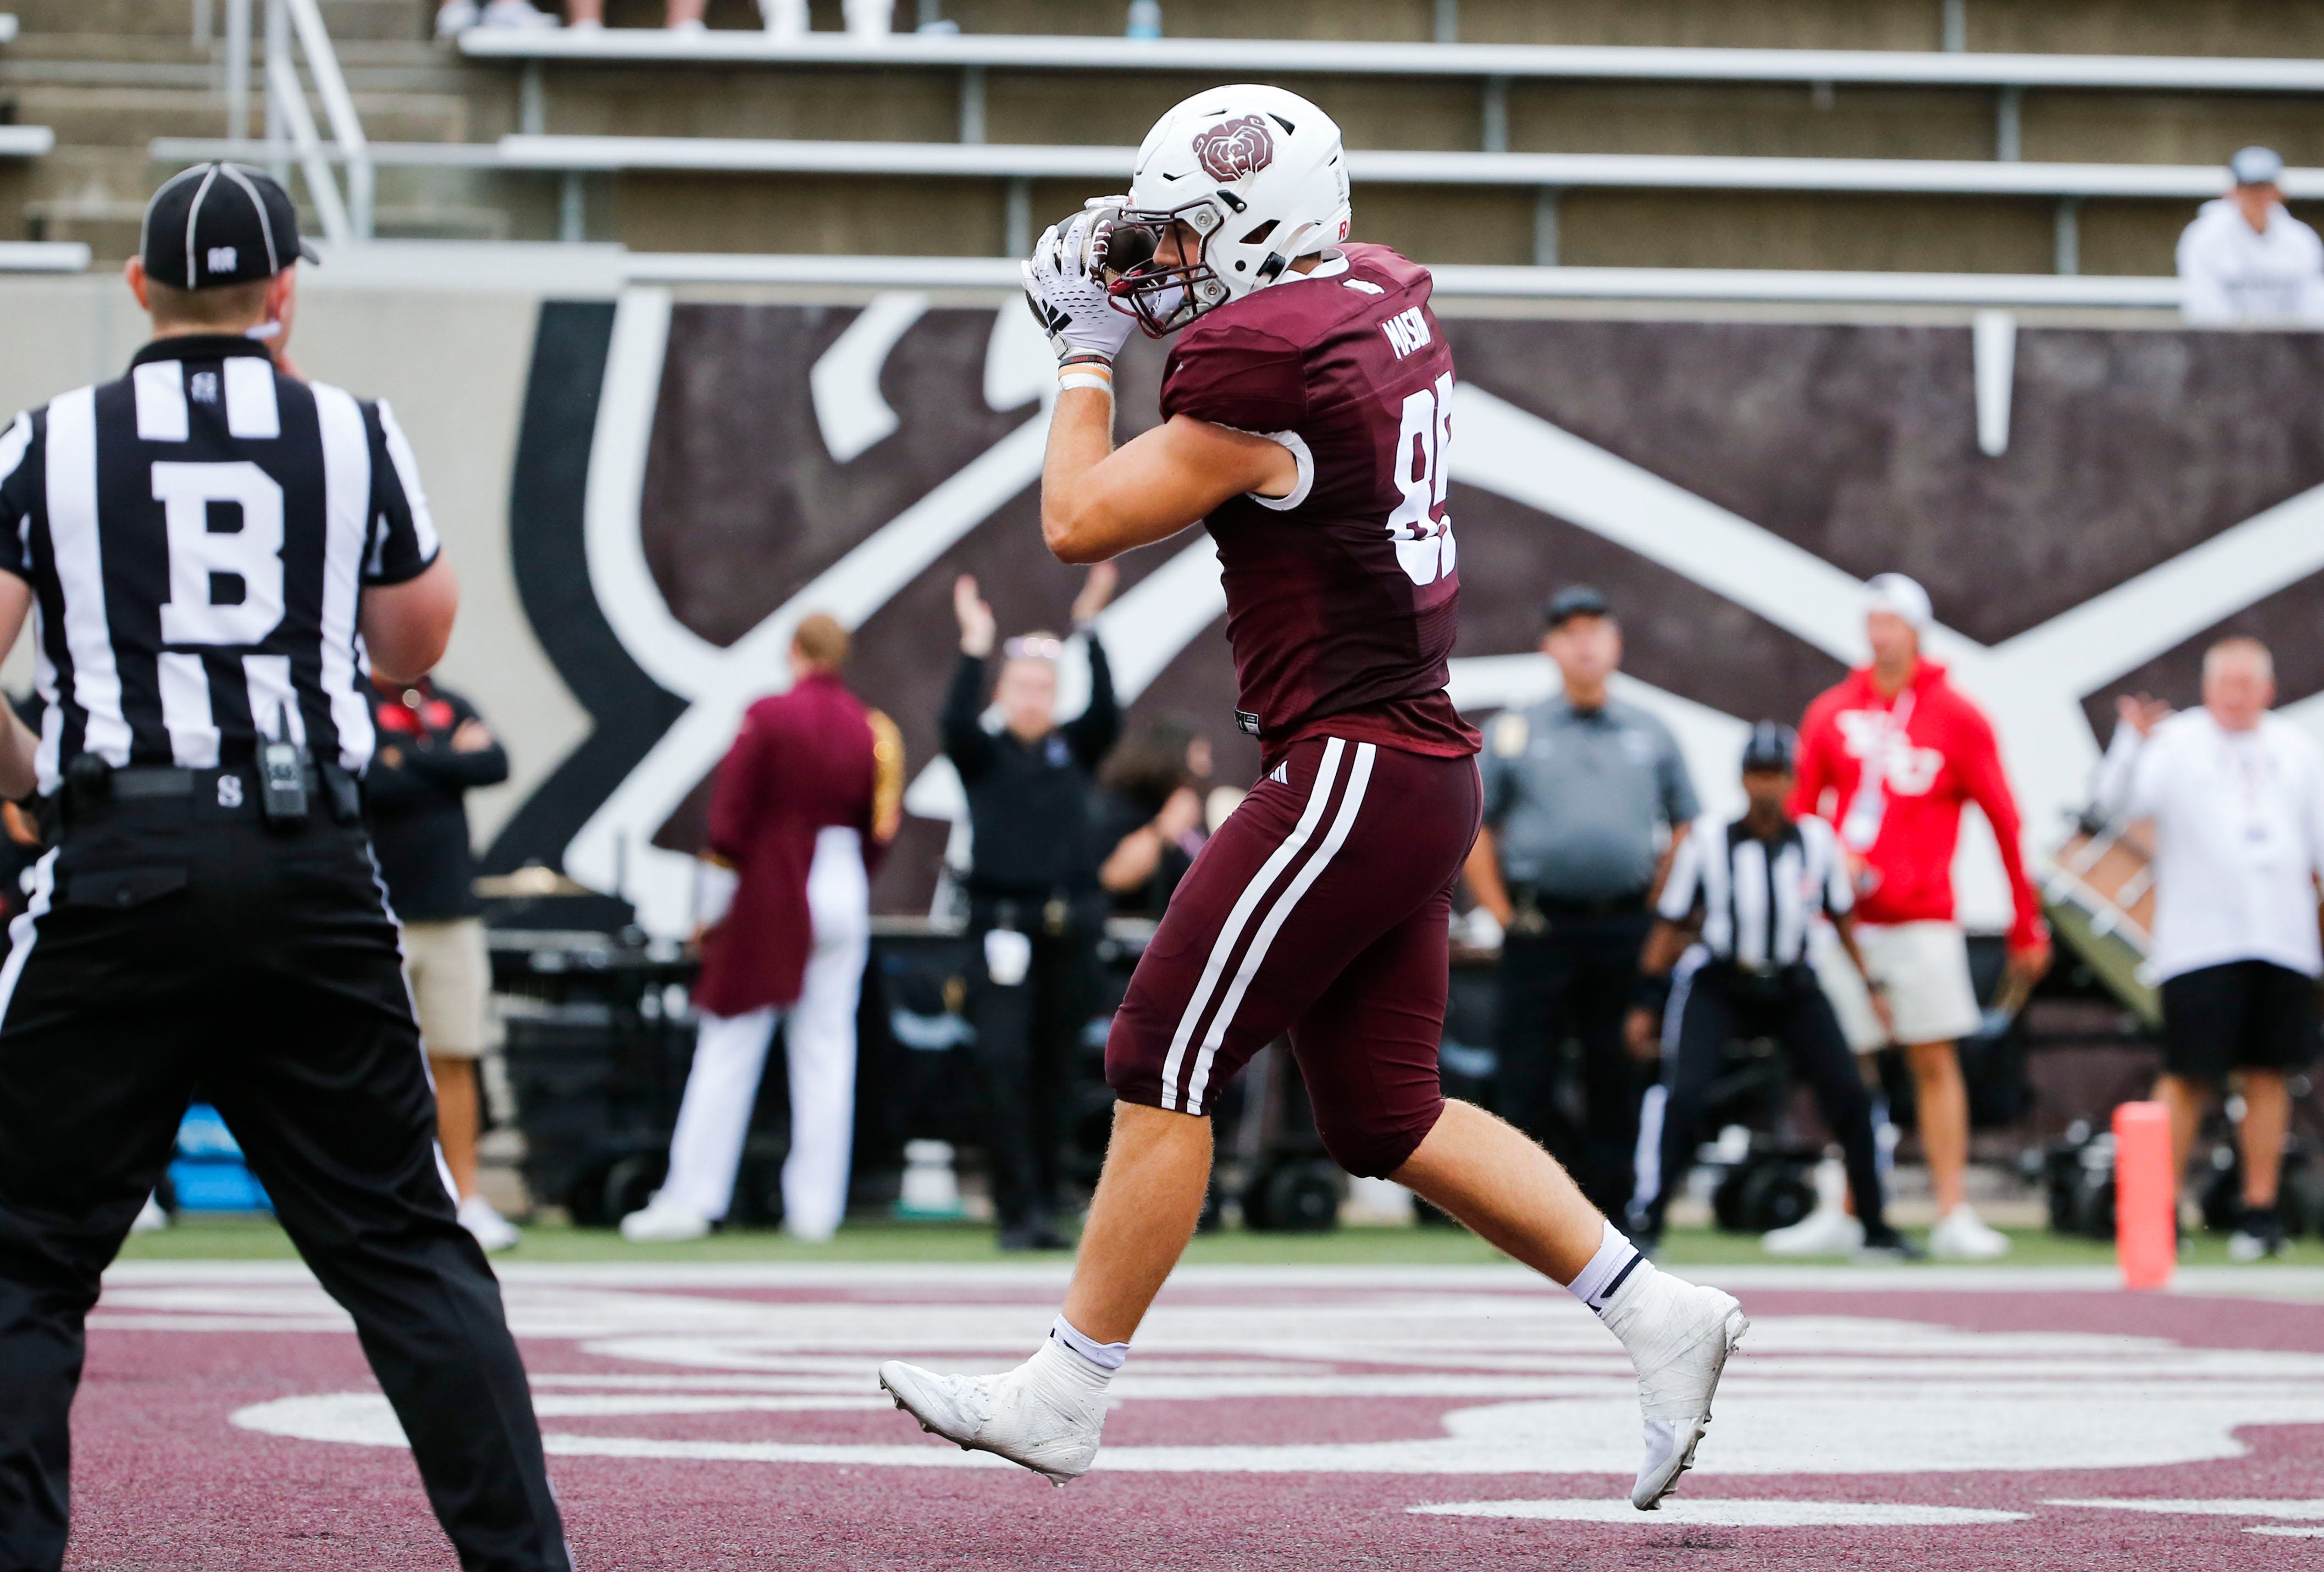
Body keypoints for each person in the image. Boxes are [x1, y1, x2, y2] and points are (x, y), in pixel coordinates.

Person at [879, 84, 1744, 1514]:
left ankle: (1065, 1389)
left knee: (1158, 1052)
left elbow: (1074, 519)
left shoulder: (1262, 364)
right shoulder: (1375, 292)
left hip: (1346, 761)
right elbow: (1274, 338)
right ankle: (1656, 1311)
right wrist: (1160, 305)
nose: (1160, 261)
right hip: (1414, 762)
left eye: (1182, 237)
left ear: (1254, 233)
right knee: (1381, 1114)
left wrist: (1087, 352)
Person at [0, 165, 567, 1570]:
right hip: (310, 854)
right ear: (285, 293)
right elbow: (414, 643)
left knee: (23, 1256)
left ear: (136, 288)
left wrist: (43, 789)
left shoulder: (50, 438)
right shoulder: (349, 431)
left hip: (120, 854)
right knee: (407, 1248)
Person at [1790, 572, 2050, 1261]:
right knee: (1847, 1068)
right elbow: (1796, 813)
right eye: (1872, 622)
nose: (1881, 636)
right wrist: (1822, 867)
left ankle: (1952, 1209)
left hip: (1922, 916)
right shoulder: (1832, 711)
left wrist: (2026, 919)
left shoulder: (1956, 716)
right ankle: (1849, 1205)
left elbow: (2003, 816)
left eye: (1893, 623)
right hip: (1845, 924)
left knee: (1934, 1060)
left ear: (1916, 631)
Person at [622, 613, 902, 1243]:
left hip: (779, 883)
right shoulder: (870, 727)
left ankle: (692, 1198)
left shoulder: (770, 715)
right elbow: (881, 825)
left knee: (730, 1039)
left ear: (794, 651)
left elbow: (728, 822)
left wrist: (713, 908)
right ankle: (815, 1209)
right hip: (842, 884)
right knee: (827, 1051)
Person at [1625, 723, 1914, 1259]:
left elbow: (1844, 918)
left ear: (1791, 780)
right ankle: (1649, 1216)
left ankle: (1874, 1225)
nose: (1765, 787)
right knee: (1683, 1095)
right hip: (1721, 980)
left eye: (1775, 774)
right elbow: (1668, 924)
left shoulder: (1816, 841)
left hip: (1792, 982)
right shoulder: (1709, 840)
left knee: (1850, 1095)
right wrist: (1647, 999)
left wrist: (1869, 984)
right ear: (1742, 779)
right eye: (1757, 774)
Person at [1465, 585, 1699, 1218]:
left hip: (1624, 925)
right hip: (1541, 924)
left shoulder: (1650, 731)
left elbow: (1686, 825)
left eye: (1596, 629)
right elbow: (1473, 824)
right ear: (1549, 646)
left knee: (1617, 1067)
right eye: (1571, 631)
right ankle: (1521, 1209)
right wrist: (1502, 913)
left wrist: (1658, 902)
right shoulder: (1517, 730)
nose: (1585, 643)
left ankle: (1615, 1209)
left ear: (1616, 643)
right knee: (1526, 1070)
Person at [2093, 638, 2324, 1261]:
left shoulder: (2297, 749)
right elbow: (2115, 803)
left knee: (2269, 1073)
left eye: (2248, 684)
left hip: (2282, 937)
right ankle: (2155, 1210)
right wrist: (2131, 742)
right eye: (2226, 682)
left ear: (2268, 689)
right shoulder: (2176, 743)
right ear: (2206, 686)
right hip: (2199, 942)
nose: (2236, 695)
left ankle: (2259, 1208)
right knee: (2188, 1073)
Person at [944, 566, 1120, 1250]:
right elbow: (953, 721)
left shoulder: (1071, 750)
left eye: (1044, 687)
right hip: (1001, 927)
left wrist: (1092, 626)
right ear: (1002, 691)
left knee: (1056, 1066)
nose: (1033, 698)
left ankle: (1049, 1202)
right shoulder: (983, 755)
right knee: (1002, 1060)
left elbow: (1107, 713)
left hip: (1067, 929)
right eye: (1021, 686)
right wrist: (973, 643)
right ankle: (1013, 1204)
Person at [364, 672, 518, 1252]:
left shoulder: (448, 699)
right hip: (381, 912)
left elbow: (495, 764)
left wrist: (412, 758)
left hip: (451, 911)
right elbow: (369, 779)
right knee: (379, 1061)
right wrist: (449, 757)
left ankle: (465, 1196)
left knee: (456, 1055)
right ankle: (382, 1195)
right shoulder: (352, 697)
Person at [2177, 146, 2324, 326]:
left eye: (2264, 188)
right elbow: (2206, 307)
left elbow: (2312, 305)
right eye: (2249, 188)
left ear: (2278, 192)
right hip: (2221, 349)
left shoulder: (2302, 240)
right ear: (2233, 192)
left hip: (2289, 349)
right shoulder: (2203, 238)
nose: (2257, 196)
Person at [1097, 712, 1213, 919]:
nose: (1207, 767)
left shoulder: (1191, 817)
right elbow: (1114, 875)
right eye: (1199, 755)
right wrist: (1166, 826)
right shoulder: (1126, 806)